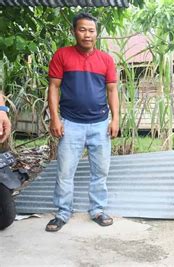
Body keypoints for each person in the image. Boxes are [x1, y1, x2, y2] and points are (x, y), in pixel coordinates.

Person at [45, 12, 119, 232]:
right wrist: (55, 118)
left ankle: (97, 210)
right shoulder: (62, 55)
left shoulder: (106, 59)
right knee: (65, 172)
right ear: (74, 31)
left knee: (100, 172)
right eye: (82, 29)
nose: (87, 35)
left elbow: (112, 90)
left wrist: (115, 119)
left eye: (91, 30)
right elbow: (54, 87)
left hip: (100, 124)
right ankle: (62, 213)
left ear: (97, 33)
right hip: (71, 124)